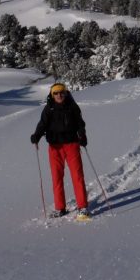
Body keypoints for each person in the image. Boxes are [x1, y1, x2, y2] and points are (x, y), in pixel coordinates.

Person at [30, 82, 90, 218]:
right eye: (56, 93)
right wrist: (36, 136)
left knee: (77, 176)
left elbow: (80, 124)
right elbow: (42, 124)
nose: (59, 95)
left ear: (65, 92)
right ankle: (60, 208)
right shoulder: (48, 109)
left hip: (72, 145)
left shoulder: (72, 107)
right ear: (52, 95)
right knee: (56, 178)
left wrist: (82, 136)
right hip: (55, 147)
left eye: (61, 92)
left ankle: (82, 207)